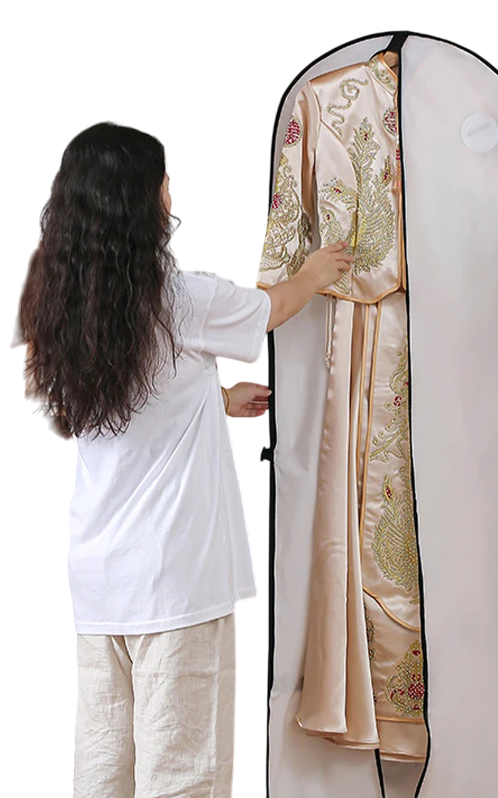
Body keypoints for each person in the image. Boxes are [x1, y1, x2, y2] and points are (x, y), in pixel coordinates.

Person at [16, 121, 353, 798]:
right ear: (141, 199)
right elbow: (272, 308)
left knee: (103, 763)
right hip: (174, 579)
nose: (171, 191)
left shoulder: (66, 301)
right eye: (163, 180)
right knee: (182, 771)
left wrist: (214, 398)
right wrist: (314, 272)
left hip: (101, 580)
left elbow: (129, 395)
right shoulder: (181, 297)